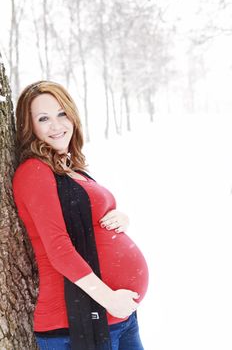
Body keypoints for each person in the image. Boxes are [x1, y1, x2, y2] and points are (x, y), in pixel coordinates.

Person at [12, 80, 149, 350]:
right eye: (43, 118)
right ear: (30, 128)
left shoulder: (69, 167)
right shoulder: (34, 171)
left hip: (117, 316)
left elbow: (90, 217)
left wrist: (120, 218)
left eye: (62, 113)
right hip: (76, 324)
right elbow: (59, 248)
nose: (56, 125)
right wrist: (108, 299)